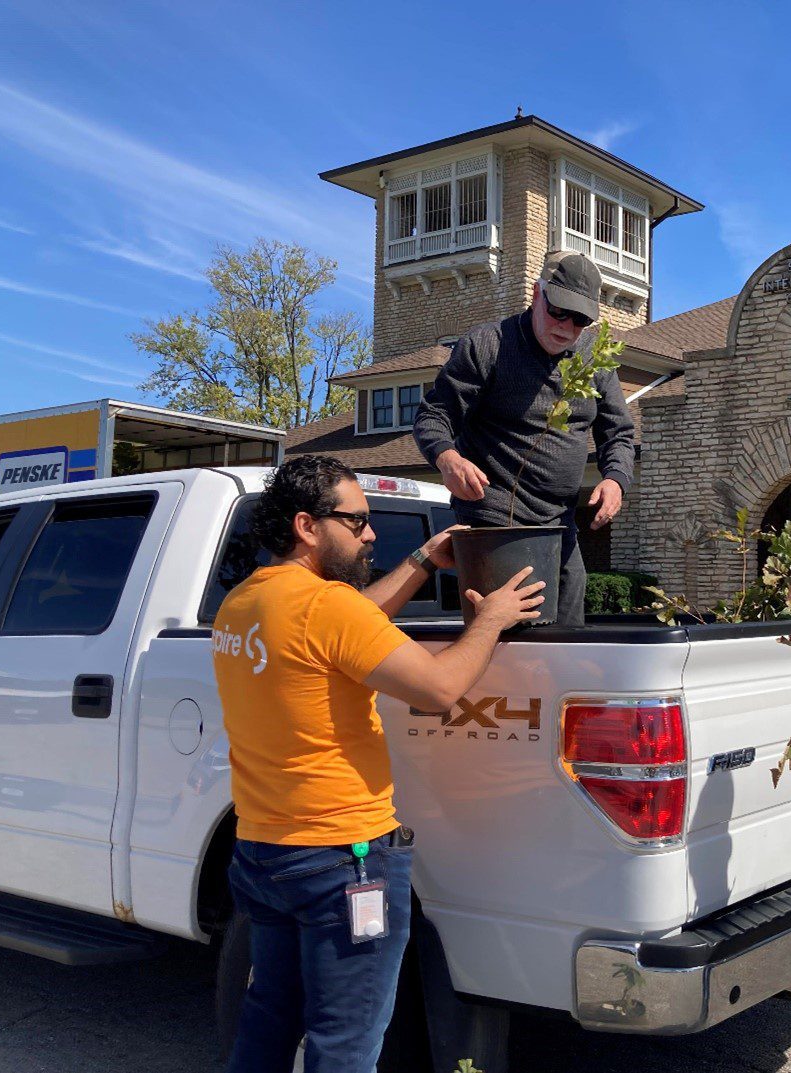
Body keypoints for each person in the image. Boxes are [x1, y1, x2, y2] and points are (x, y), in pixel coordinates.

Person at [212, 455, 544, 1073]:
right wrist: (493, 620)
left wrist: (421, 562)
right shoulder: (325, 609)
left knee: (268, 1018)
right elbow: (440, 689)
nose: (371, 534)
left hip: (263, 853)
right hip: (341, 862)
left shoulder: (245, 602)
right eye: (357, 521)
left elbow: (352, 624)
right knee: (346, 1043)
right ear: (308, 526)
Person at [414, 251, 636, 628]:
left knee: (568, 633)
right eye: (559, 311)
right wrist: (447, 458)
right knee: (504, 634)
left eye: (580, 319)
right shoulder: (487, 345)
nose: (566, 326)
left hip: (559, 522)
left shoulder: (593, 361)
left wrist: (615, 480)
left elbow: (618, 433)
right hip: (494, 519)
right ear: (538, 295)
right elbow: (434, 415)